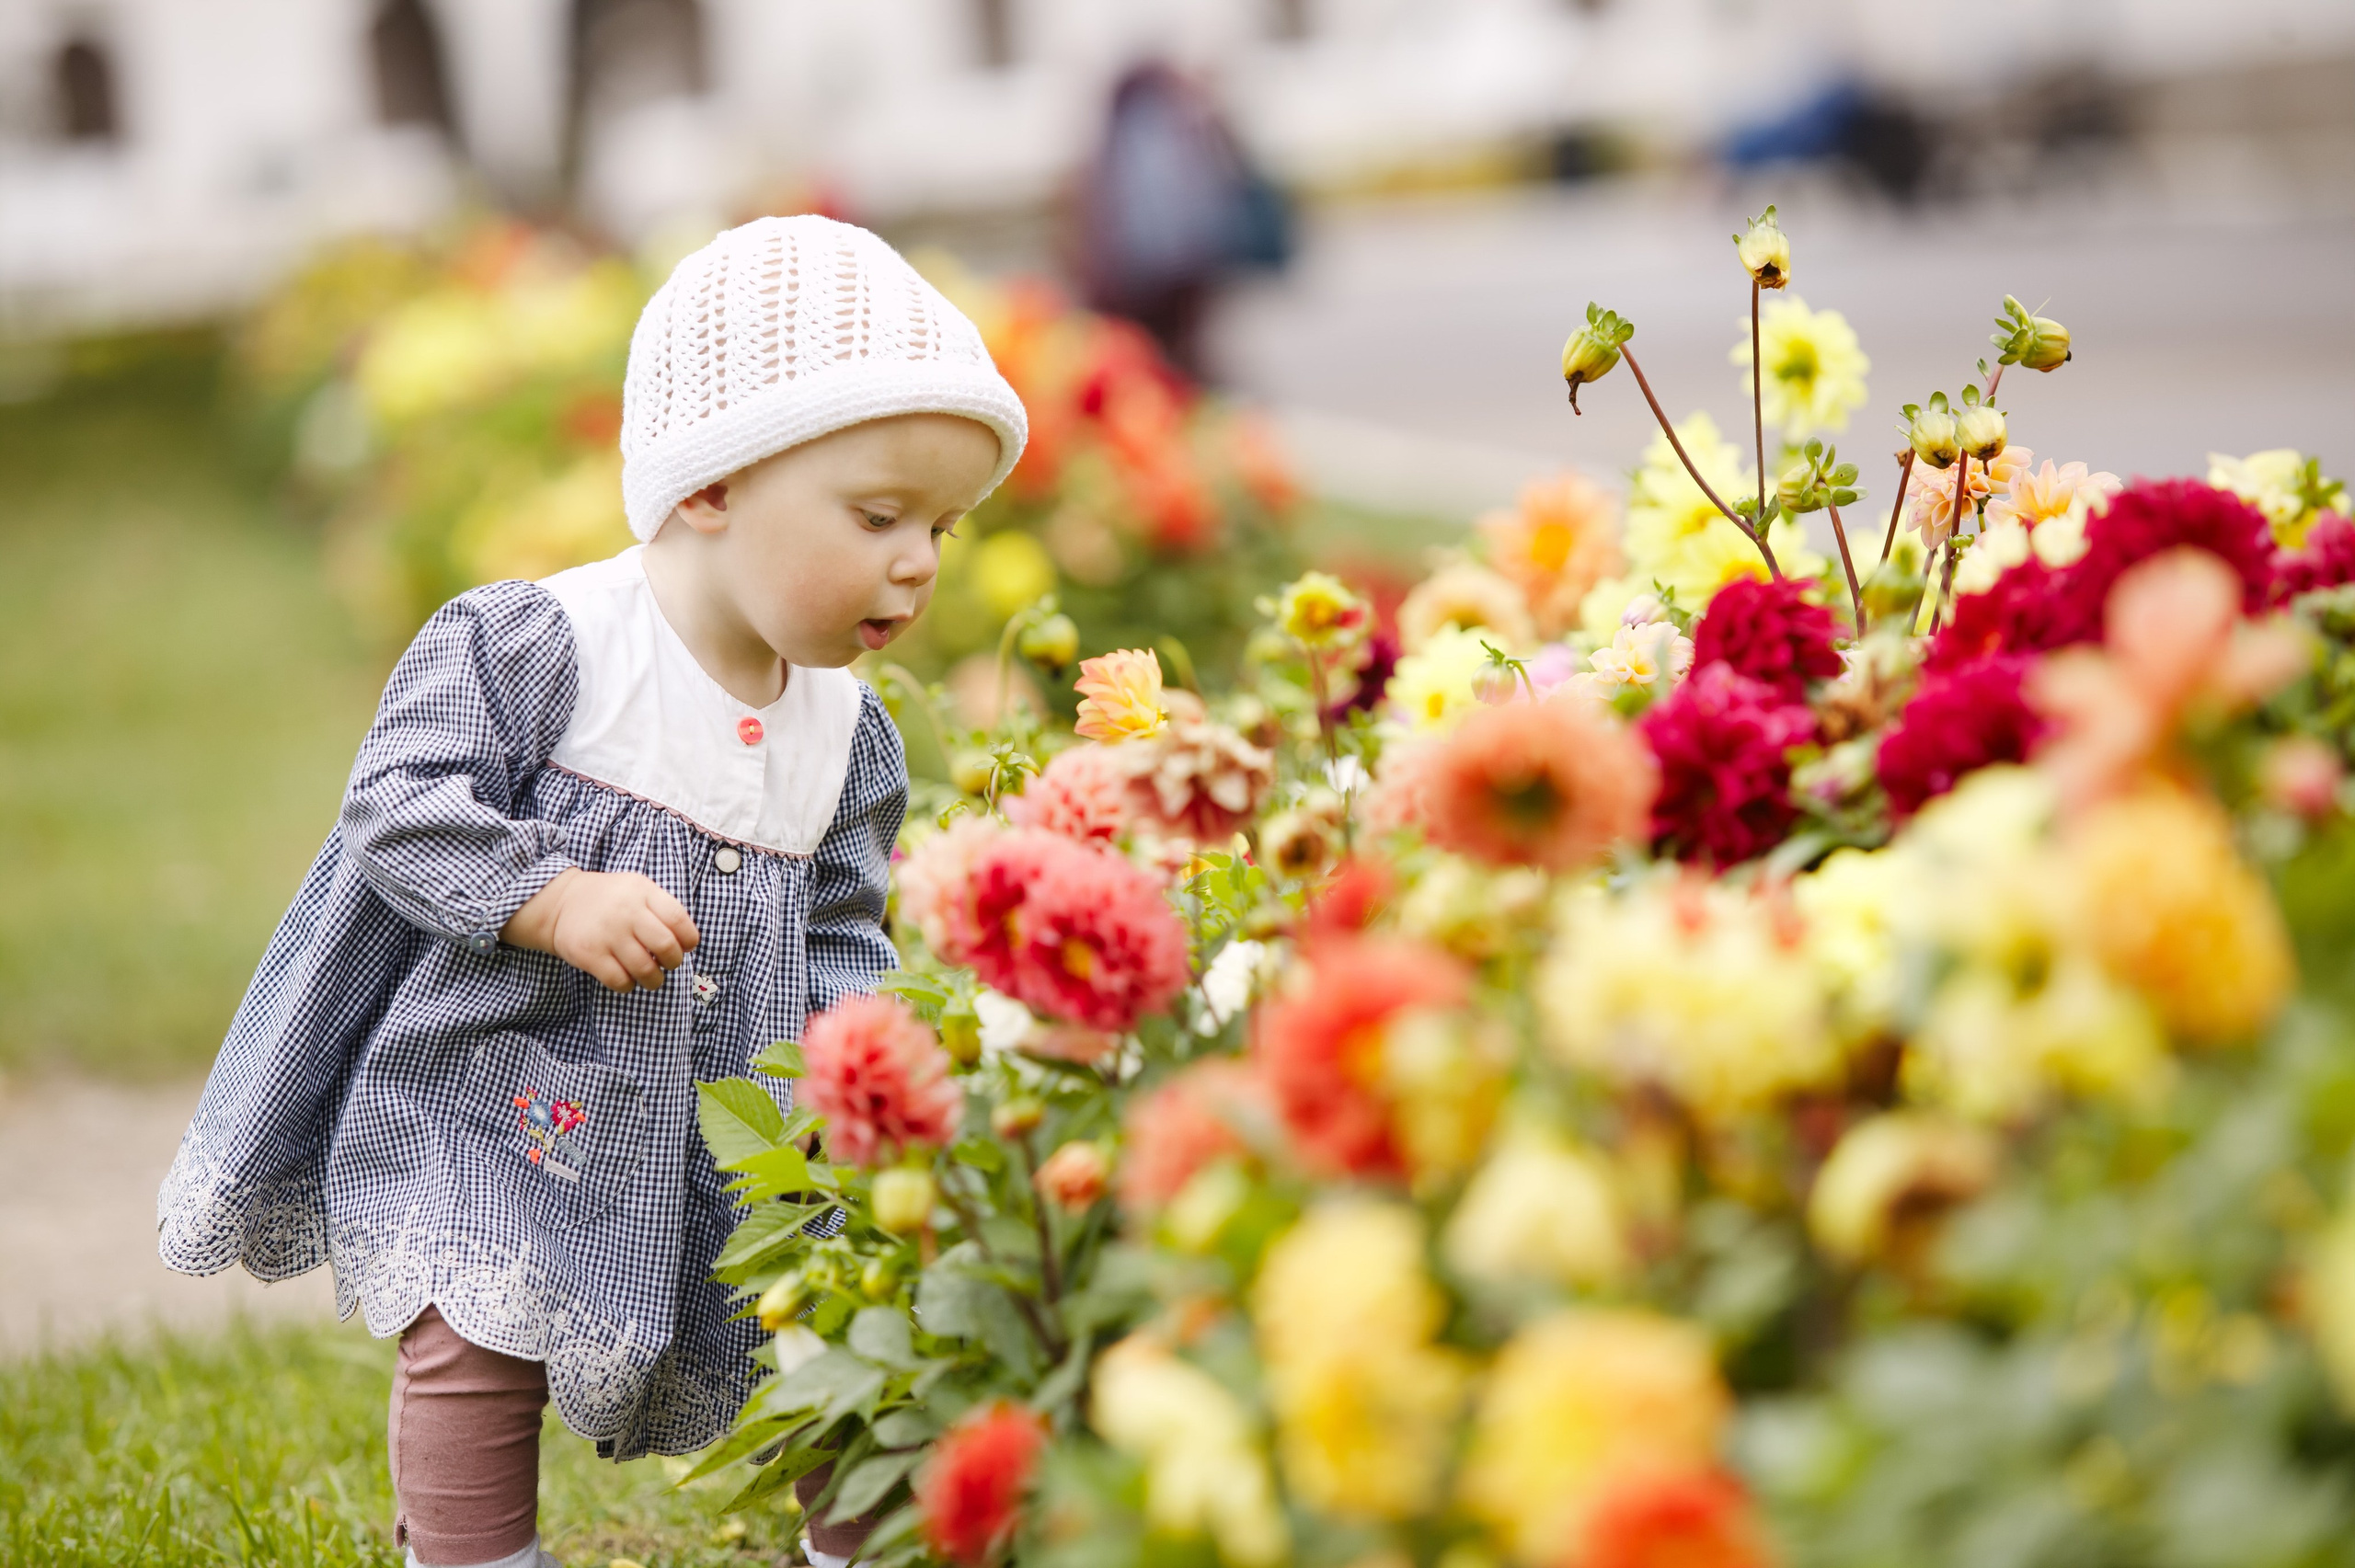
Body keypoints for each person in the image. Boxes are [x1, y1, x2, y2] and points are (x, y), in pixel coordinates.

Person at [155, 215, 1027, 1568]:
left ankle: (861, 1543)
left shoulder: (846, 735)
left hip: (731, 1129)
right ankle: (476, 1551)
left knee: (830, 1319)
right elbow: (399, 803)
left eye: (942, 527)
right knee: (475, 1326)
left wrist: (863, 1062)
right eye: (877, 515)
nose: (918, 560)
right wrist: (549, 895)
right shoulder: (546, 645)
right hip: (509, 1086)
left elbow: (846, 926)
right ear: (710, 485)